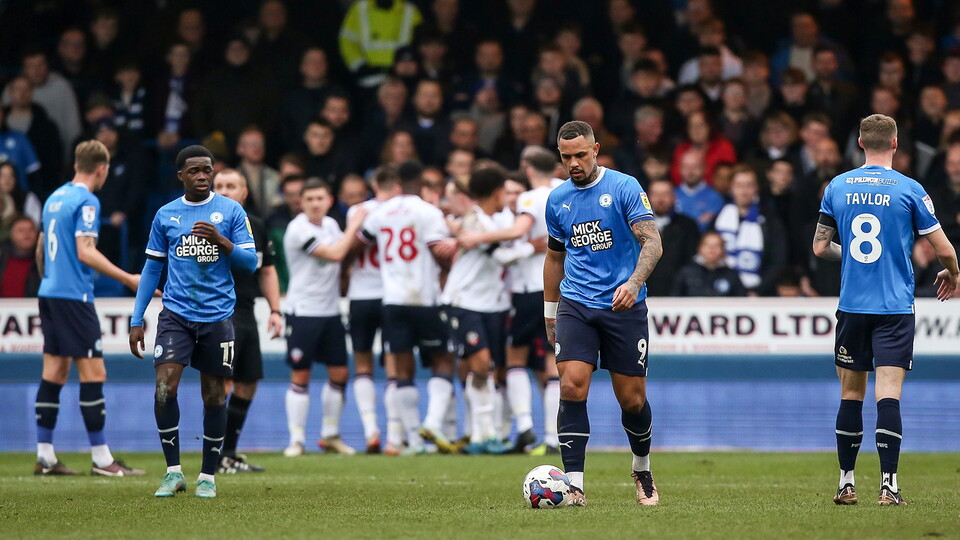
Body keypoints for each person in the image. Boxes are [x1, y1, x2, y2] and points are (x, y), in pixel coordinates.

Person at [813, 114, 959, 507]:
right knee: (888, 395)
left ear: (860, 143)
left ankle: (846, 483)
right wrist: (954, 271)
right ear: (895, 144)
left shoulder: (837, 186)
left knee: (850, 394)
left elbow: (820, 247)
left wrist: (852, 262)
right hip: (894, 308)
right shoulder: (910, 189)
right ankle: (889, 486)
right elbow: (944, 249)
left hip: (852, 307)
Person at [129, 145, 258, 498]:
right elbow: (152, 268)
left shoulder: (231, 211)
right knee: (164, 387)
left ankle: (207, 477)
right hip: (176, 315)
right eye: (195, 171)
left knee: (214, 395)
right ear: (181, 176)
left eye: (207, 170)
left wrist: (223, 242)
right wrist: (136, 318)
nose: (202, 176)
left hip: (217, 317)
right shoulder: (166, 215)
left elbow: (250, 264)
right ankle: (173, 473)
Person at [544, 121, 663, 506]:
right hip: (576, 304)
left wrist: (633, 283)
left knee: (632, 400)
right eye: (566, 158)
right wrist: (550, 313)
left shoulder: (625, 187)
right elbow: (554, 257)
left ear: (596, 149)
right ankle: (573, 484)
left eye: (580, 155)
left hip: (622, 305)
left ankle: (642, 468)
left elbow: (652, 242)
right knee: (570, 385)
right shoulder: (557, 199)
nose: (574, 163)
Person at [35, 140, 143, 477]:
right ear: (103, 169)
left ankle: (46, 457)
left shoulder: (54, 197)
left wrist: (51, 279)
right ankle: (102, 460)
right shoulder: (87, 200)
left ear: (75, 165)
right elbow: (85, 250)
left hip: (49, 292)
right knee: (94, 373)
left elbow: (41, 247)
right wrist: (128, 278)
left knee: (54, 373)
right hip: (73, 298)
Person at [359, 162, 457, 455]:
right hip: (425, 298)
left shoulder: (381, 212)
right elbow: (439, 252)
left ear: (397, 183)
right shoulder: (428, 212)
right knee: (443, 358)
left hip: (392, 299)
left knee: (402, 367)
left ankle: (414, 440)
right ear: (422, 183)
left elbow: (360, 240)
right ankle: (432, 422)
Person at [281, 179, 367, 457]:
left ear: (329, 200)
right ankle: (296, 439)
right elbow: (335, 253)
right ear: (302, 203)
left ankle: (330, 434)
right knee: (301, 373)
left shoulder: (330, 225)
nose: (315, 204)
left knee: (340, 372)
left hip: (330, 310)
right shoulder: (298, 229)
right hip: (303, 310)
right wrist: (356, 223)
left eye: (320, 198)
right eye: (310, 199)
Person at [212, 170, 283, 473]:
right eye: (219, 186)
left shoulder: (257, 225)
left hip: (246, 310)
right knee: (220, 383)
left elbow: (266, 270)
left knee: (247, 383)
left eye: (231, 186)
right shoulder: (204, 225)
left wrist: (276, 310)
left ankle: (227, 453)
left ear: (244, 193)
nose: (225, 191)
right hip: (217, 312)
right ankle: (213, 456)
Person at [671, 232, 746, 296]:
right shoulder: (686, 273)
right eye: (707, 245)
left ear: (723, 250)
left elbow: (741, 300)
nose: (712, 249)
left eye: (717, 246)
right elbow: (674, 298)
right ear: (699, 248)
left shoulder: (731, 275)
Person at [0, 215, 40, 297]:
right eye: (21, 230)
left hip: (32, 308)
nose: (27, 234)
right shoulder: (2, 257)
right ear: (12, 234)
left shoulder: (43, 261)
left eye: (31, 230)